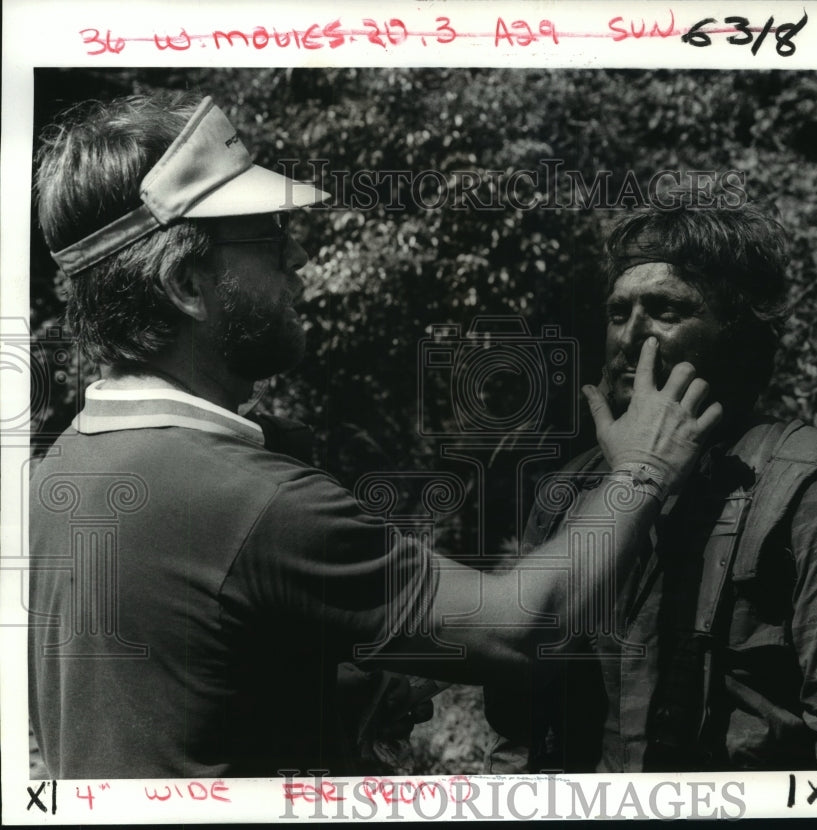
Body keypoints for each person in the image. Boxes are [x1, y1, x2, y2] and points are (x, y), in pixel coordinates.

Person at [28, 92, 723, 779]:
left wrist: (336, 694)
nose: (299, 256)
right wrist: (640, 470)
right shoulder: (250, 498)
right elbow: (522, 630)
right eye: (270, 238)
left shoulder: (65, 463)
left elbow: (163, 694)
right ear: (185, 281)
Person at [484, 206, 817, 772]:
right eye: (618, 312)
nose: (632, 335)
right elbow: (519, 731)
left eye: (667, 309)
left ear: (740, 335)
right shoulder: (566, 495)